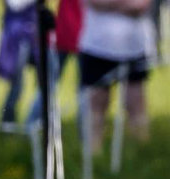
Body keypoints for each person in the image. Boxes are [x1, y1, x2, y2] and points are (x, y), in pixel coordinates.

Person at [77, 0, 155, 153]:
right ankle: (93, 156)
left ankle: (141, 154)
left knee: (136, 104)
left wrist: (108, 5)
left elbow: (141, 5)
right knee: (95, 106)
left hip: (135, 48)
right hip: (96, 47)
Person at [25, 0, 84, 131]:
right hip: (71, 33)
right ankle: (30, 127)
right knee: (85, 91)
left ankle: (30, 126)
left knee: (49, 85)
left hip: (67, 32)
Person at [0, 0, 38, 126]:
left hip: (30, 34)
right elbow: (15, 5)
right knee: (17, 84)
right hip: (17, 36)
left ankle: (32, 121)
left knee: (39, 81)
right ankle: (7, 122)